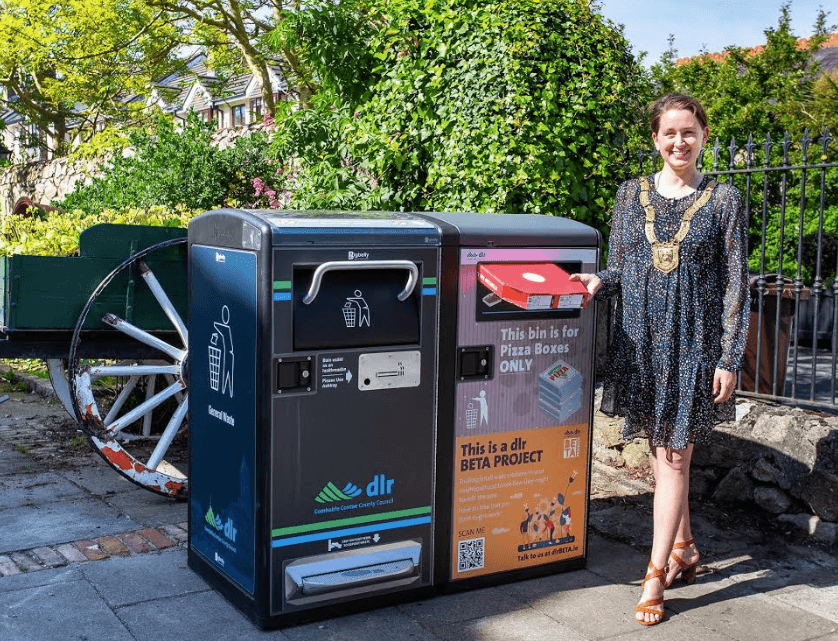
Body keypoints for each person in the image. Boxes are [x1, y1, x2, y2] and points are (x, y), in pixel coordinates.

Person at [570, 94, 750, 626]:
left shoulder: (724, 200)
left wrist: (729, 354)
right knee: (662, 450)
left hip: (693, 345)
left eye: (688, 132)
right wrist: (600, 279)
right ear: (655, 138)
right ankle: (685, 548)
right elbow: (624, 265)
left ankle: (653, 576)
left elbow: (736, 281)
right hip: (642, 342)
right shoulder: (630, 194)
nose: (679, 142)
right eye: (669, 133)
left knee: (672, 456)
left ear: (703, 135)